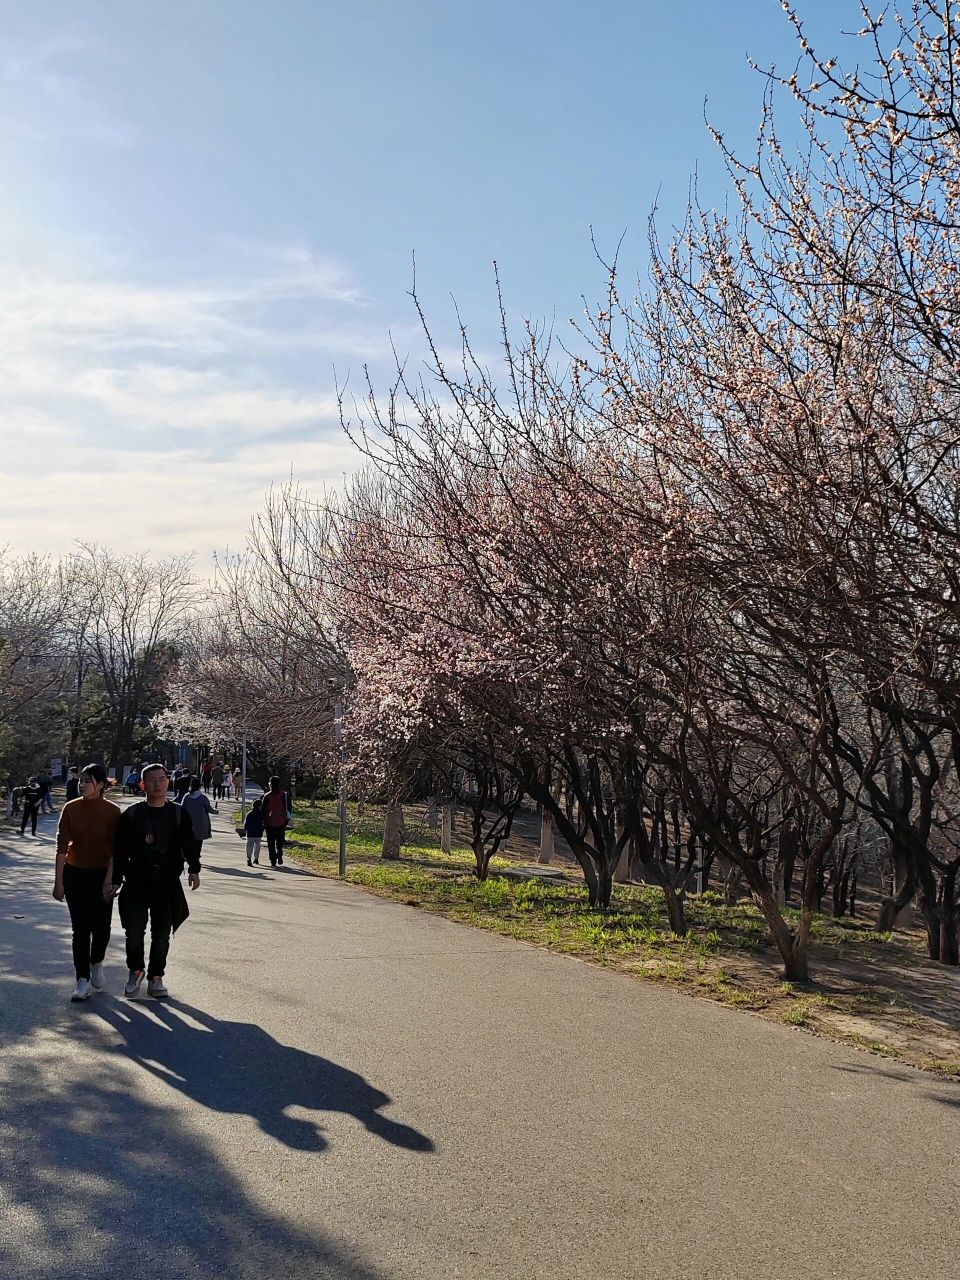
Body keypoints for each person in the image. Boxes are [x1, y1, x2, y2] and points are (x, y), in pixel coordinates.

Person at [109, 763, 200, 999]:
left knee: (161, 934)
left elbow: (189, 844)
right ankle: (136, 970)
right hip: (136, 882)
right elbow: (119, 850)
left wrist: (194, 869)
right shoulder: (132, 814)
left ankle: (156, 977)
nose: (157, 784)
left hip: (166, 883)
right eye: (151, 780)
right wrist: (116, 880)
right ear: (142, 784)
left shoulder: (178, 813)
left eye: (161, 779)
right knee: (134, 932)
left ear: (168, 782)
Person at [52, 763, 121, 1002]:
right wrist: (58, 882)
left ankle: (96, 962)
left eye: (87, 781)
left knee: (101, 929)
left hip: (102, 874)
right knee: (80, 929)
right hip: (75, 874)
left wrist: (109, 880)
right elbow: (61, 848)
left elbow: (115, 851)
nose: (81, 784)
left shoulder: (112, 812)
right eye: (80, 780)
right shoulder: (70, 808)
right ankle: (81, 979)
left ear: (101, 785)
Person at [180, 776, 217, 859]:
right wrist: (216, 811)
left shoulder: (186, 797)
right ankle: (197, 855)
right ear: (200, 786)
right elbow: (209, 809)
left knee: (189, 840)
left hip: (188, 823)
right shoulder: (203, 798)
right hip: (201, 823)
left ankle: (189, 855)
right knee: (199, 841)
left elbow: (182, 809)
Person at [262, 776, 291, 867]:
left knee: (270, 843)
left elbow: (263, 810)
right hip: (281, 822)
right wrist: (286, 818)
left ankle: (273, 860)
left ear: (270, 784)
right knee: (279, 841)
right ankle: (279, 854)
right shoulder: (284, 795)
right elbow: (289, 807)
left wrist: (263, 821)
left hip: (269, 822)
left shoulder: (267, 796)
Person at [242, 798, 265, 866]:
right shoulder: (261, 814)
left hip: (250, 833)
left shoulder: (249, 813)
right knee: (257, 847)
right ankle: (256, 859)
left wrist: (245, 830)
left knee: (249, 846)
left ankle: (249, 858)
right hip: (258, 833)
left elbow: (246, 823)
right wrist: (262, 829)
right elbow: (263, 823)